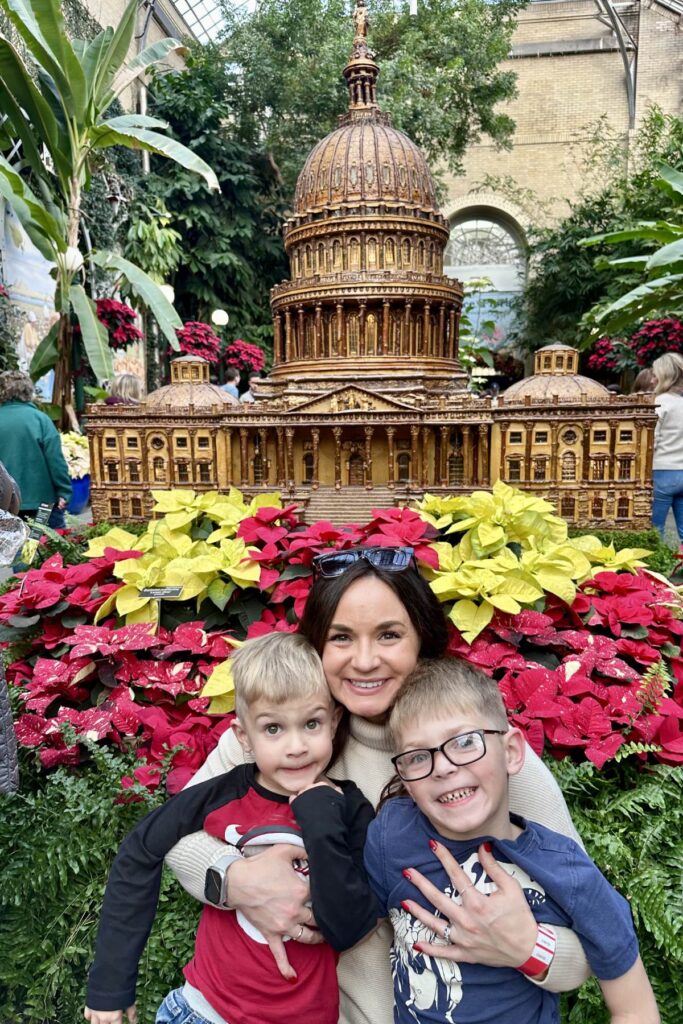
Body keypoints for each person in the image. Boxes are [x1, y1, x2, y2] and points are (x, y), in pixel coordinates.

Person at [165, 546, 591, 1024]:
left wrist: (526, 947)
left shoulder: (479, 755)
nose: (364, 661)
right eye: (342, 637)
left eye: (388, 635)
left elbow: (589, 939)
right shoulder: (284, 737)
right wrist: (235, 880)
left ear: (421, 641)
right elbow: (173, 834)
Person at [84, 633, 378, 1024]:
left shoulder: (348, 808)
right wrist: (109, 985)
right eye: (273, 729)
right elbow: (140, 850)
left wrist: (321, 822)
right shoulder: (221, 794)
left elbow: (350, 927)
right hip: (206, 1013)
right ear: (245, 737)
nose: (296, 746)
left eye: (311, 724)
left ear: (334, 722)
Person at [365, 659, 659, 1024]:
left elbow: (636, 1010)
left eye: (464, 742)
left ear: (512, 752)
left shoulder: (565, 870)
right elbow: (357, 930)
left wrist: (532, 948)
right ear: (405, 779)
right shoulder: (390, 836)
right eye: (418, 756)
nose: (442, 767)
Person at [0, 370, 71, 529]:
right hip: (43, 503)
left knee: (10, 550)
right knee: (46, 546)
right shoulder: (41, 420)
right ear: (28, 390)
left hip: (4, 506)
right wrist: (64, 492)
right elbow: (55, 460)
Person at [652, 352, 683, 542]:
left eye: (655, 374)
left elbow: (651, 441)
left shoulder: (659, 403)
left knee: (656, 530)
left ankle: (655, 569)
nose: (653, 378)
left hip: (662, 471)